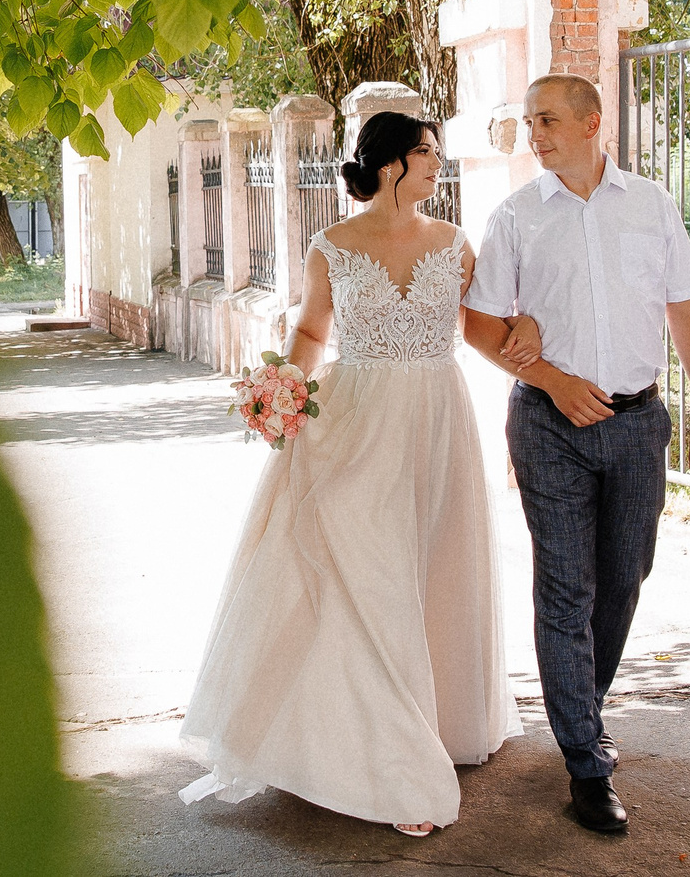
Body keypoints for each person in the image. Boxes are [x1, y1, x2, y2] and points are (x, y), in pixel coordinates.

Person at [178, 112, 533, 837]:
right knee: (369, 575)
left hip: (438, 419)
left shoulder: (455, 243)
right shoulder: (331, 246)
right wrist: (279, 390)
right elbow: (311, 331)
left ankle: (433, 721)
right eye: (428, 153)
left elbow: (484, 322)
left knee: (430, 567)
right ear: (393, 163)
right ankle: (395, 765)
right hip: (356, 417)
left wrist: (526, 331)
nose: (438, 164)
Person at [468, 73, 690, 839]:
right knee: (564, 588)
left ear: (591, 122)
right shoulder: (516, 217)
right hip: (549, 426)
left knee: (623, 578)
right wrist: (550, 377)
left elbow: (686, 310)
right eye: (527, 123)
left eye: (547, 120)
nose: (535, 134)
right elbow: (480, 326)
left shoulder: (651, 206)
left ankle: (583, 707)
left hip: (639, 422)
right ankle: (586, 759)